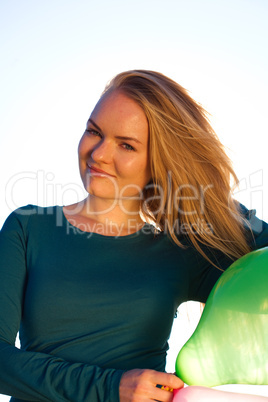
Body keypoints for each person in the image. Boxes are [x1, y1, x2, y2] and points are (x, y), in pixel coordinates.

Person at [0, 70, 267, 402]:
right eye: (93, 131)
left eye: (126, 145)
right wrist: (110, 387)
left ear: (158, 160)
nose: (98, 153)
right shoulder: (28, 228)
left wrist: (204, 196)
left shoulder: (179, 251)